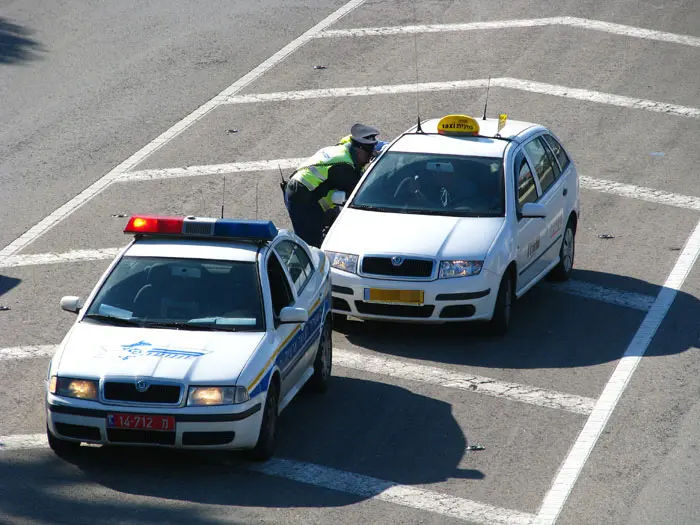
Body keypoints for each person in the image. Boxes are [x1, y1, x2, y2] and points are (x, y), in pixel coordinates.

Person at [284, 123, 382, 248]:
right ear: (359, 152)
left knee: (332, 223)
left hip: (304, 190)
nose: (369, 159)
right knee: (312, 245)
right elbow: (360, 191)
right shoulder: (343, 166)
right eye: (369, 154)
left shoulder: (345, 147)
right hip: (301, 197)